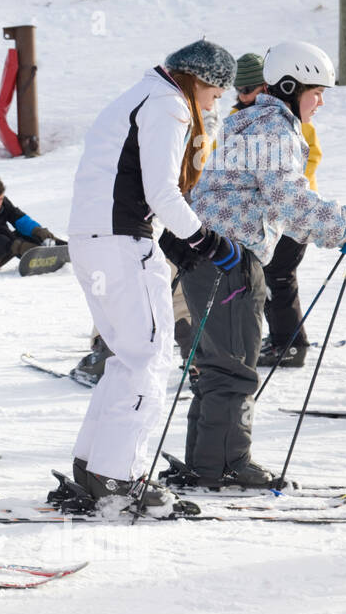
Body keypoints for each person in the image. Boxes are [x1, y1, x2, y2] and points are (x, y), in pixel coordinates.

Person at [180, 41, 346, 489]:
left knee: (216, 366)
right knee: (233, 368)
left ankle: (205, 462)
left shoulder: (243, 121)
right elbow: (290, 202)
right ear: (289, 87)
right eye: (316, 92)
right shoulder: (275, 130)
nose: (321, 102)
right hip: (231, 260)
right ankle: (225, 466)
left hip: (205, 256)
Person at [62, 39, 240, 514]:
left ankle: (95, 465)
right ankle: (119, 478)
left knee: (127, 355)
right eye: (217, 93)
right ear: (199, 80)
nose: (214, 102)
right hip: (122, 243)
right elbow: (160, 189)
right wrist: (206, 240)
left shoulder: (136, 95)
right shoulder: (167, 105)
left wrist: (180, 237)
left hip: (92, 239)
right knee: (149, 357)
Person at [232, 52, 324, 369]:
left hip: (288, 214)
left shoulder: (289, 121)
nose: (247, 96)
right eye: (241, 90)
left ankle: (290, 344)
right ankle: (277, 339)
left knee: (279, 277)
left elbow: (306, 161)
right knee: (260, 279)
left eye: (253, 88)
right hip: (254, 217)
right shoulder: (238, 118)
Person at [0, 175, 66, 271]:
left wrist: (37, 230)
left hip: (1, 248)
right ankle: (40, 257)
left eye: (1, 199)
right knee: (17, 242)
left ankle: (64, 248)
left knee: (29, 234)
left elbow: (18, 218)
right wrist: (19, 246)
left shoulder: (3, 202)